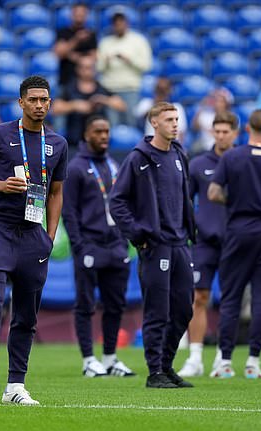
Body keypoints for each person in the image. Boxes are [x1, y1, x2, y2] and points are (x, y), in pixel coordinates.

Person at [0, 75, 68, 404]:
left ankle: (15, 386)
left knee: (27, 315)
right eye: (33, 100)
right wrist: (0, 185)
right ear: (21, 103)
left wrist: (49, 237)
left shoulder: (58, 144)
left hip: (32, 235)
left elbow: (55, 193)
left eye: (44, 100)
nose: (39, 105)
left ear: (50, 103)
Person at [109, 102, 196, 389]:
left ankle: (167, 365)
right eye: (169, 119)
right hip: (155, 245)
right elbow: (117, 201)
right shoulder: (138, 158)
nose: (175, 123)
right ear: (154, 123)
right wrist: (138, 234)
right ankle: (154, 371)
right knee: (157, 310)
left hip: (180, 242)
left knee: (184, 309)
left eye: (177, 118)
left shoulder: (179, 153)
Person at [208, 109, 261, 379]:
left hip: (237, 231)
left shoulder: (232, 156)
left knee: (231, 298)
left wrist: (234, 202)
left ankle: (224, 361)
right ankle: (253, 362)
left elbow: (212, 192)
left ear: (246, 129)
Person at [62, 115, 134, 378]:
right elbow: (68, 212)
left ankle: (110, 357)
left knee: (116, 305)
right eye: (98, 131)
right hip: (90, 246)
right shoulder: (77, 168)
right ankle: (88, 359)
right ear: (85, 135)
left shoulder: (114, 166)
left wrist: (124, 240)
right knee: (86, 304)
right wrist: (79, 247)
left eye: (106, 131)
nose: (103, 136)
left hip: (116, 246)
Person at [177, 111, 238, 378]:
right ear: (212, 132)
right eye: (218, 130)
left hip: (235, 242)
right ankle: (196, 357)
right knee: (199, 297)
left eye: (227, 131)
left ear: (235, 133)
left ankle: (223, 359)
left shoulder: (242, 161)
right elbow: (185, 202)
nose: (222, 135)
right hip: (204, 242)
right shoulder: (199, 163)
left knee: (229, 301)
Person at [52, 55, 126, 146]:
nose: (87, 71)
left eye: (90, 67)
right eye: (84, 67)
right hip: (74, 141)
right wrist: (75, 105)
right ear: (78, 69)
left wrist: (103, 100)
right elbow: (55, 109)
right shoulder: (69, 88)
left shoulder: (101, 89)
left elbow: (122, 106)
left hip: (99, 142)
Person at [97, 11, 151, 127]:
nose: (119, 26)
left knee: (130, 123)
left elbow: (146, 65)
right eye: (116, 24)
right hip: (109, 89)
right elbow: (98, 67)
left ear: (127, 24)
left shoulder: (139, 41)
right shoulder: (105, 43)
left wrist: (129, 60)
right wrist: (106, 61)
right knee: (111, 124)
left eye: (121, 23)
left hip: (130, 89)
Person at [53, 3, 97, 87]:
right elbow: (59, 54)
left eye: (82, 13)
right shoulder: (63, 32)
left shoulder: (91, 34)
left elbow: (94, 57)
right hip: (66, 80)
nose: (80, 16)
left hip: (85, 83)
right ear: (72, 14)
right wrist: (76, 39)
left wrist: (76, 58)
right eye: (77, 13)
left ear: (86, 15)